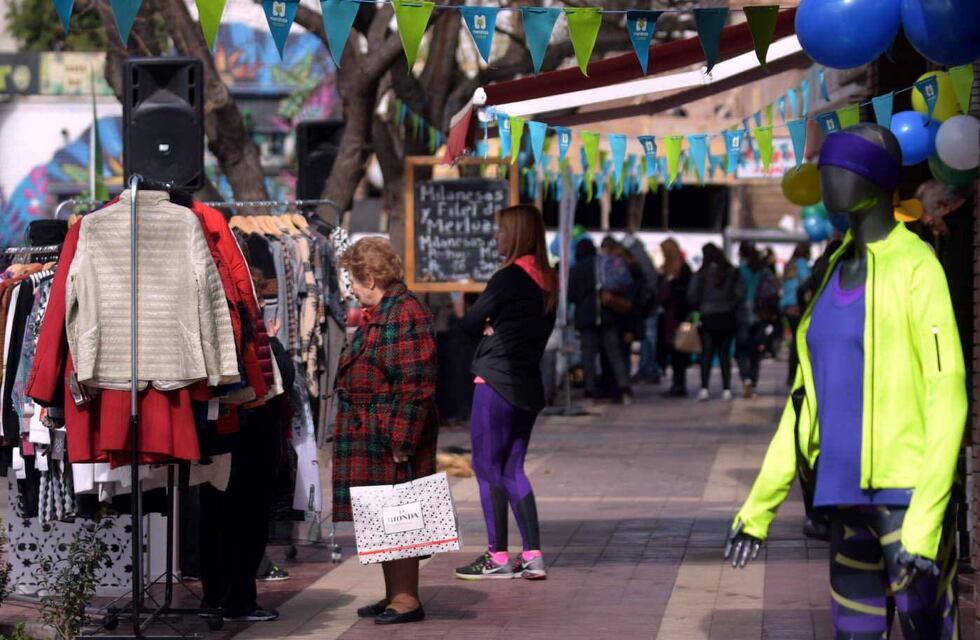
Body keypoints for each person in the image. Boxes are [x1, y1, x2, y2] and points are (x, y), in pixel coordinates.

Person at [726, 125, 965, 638]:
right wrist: (758, 508)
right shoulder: (831, 272)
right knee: (854, 633)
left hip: (906, 499)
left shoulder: (917, 268)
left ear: (873, 180)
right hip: (842, 498)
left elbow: (948, 395)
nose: (828, 184)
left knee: (928, 631)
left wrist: (925, 526)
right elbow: (802, 405)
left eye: (837, 171)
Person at [333, 237, 438, 626]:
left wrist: (401, 441)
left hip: (389, 434)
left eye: (354, 281)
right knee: (382, 521)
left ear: (371, 277)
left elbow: (415, 384)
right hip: (373, 432)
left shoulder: (404, 313)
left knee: (401, 518)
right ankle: (394, 595)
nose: (354, 290)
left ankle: (407, 599)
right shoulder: (383, 310)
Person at [455, 205, 557, 581]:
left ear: (515, 235)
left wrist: (486, 323)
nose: (495, 238)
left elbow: (467, 322)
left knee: (486, 468)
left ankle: (497, 555)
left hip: (495, 382)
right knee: (513, 468)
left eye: (500, 231)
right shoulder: (549, 279)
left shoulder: (507, 278)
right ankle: (532, 555)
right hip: (527, 386)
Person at [568, 238, 632, 404]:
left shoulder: (577, 269)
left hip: (586, 318)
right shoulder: (603, 265)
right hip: (608, 315)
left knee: (588, 356)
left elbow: (570, 295)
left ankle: (590, 392)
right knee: (614, 353)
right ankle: (624, 389)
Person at [687, 244, 743, 402]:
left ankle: (704, 388)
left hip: (708, 317)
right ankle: (726, 388)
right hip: (726, 316)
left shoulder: (702, 273)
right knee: (725, 355)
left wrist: (699, 307)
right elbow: (739, 293)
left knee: (706, 354)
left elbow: (692, 295)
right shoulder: (731, 272)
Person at [735, 242, 777, 398]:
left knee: (741, 351)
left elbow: (736, 293)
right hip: (761, 314)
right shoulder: (764, 271)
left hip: (743, 314)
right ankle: (753, 381)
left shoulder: (740, 272)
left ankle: (745, 378)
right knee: (755, 351)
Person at [621, 230, 661, 385]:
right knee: (648, 340)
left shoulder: (636, 259)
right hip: (648, 306)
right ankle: (647, 370)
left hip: (645, 307)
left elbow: (646, 285)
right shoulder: (642, 255)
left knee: (647, 340)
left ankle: (648, 370)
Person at [657, 238, 693, 398]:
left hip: (679, 315)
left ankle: (680, 384)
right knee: (672, 350)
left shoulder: (683, 270)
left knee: (680, 350)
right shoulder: (665, 269)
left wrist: (671, 284)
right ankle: (676, 383)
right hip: (668, 316)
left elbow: (686, 293)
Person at [780, 243, 812, 387]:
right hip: (798, 306)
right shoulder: (802, 264)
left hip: (786, 306)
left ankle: (790, 376)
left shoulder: (789, 264)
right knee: (799, 343)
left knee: (794, 341)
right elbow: (808, 282)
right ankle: (796, 375)